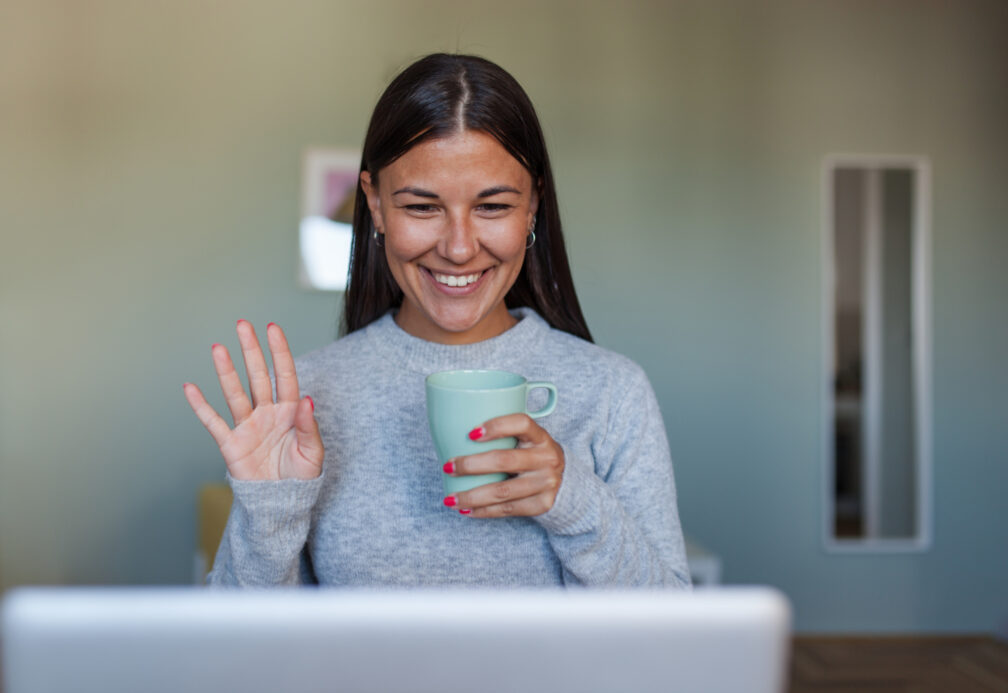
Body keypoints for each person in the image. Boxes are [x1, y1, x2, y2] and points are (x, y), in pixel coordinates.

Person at [183, 53, 691, 588]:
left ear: (533, 207)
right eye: (422, 208)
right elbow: (240, 658)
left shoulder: (612, 392)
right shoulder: (308, 403)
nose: (458, 247)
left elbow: (676, 638)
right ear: (375, 205)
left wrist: (574, 501)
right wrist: (270, 515)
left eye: (492, 207)